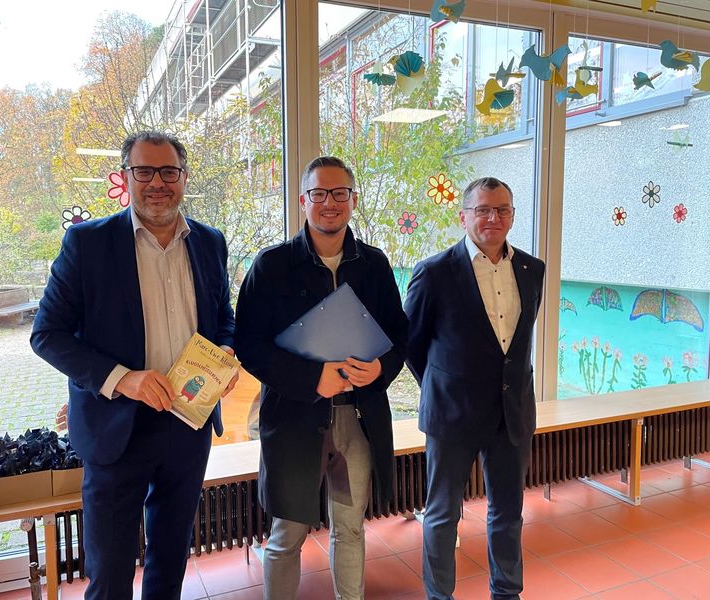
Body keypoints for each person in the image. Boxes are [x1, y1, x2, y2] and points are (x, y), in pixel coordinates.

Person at [30, 130, 237, 600]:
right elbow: (47, 335)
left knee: (170, 559)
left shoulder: (209, 242)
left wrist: (224, 351)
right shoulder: (87, 244)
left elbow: (223, 318)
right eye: (144, 171)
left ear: (184, 178)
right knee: (110, 573)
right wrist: (124, 380)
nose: (157, 183)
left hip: (189, 422)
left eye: (169, 172)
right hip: (114, 428)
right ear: (126, 177)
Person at [234, 156, 407, 600]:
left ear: (352, 199)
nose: (329, 203)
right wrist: (313, 379)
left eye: (340, 193)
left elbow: (398, 336)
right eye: (319, 193)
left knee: (349, 529)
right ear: (303, 200)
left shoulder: (374, 263)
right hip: (294, 422)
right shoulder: (271, 266)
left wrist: (381, 368)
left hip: (359, 420)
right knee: (286, 536)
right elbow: (250, 345)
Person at [404, 177, 545, 600]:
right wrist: (445, 385)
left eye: (501, 209)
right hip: (452, 414)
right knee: (443, 515)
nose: (492, 218)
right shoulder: (434, 272)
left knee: (508, 513)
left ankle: (506, 592)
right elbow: (412, 344)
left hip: (512, 412)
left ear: (513, 216)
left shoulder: (532, 269)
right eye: (482, 209)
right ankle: (439, 595)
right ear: (463, 216)